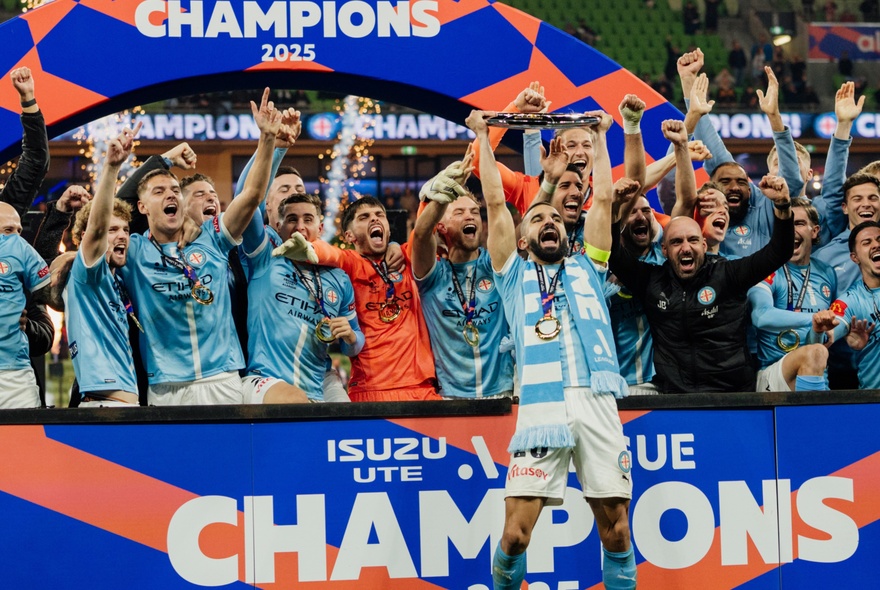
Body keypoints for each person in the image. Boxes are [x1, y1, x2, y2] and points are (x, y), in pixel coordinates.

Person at [471, 107, 635, 590]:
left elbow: (603, 197)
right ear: (522, 239)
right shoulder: (512, 275)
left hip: (596, 401)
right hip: (540, 409)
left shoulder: (590, 266)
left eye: (554, 219)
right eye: (537, 218)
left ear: (567, 230)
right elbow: (496, 203)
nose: (548, 222)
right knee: (516, 536)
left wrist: (603, 138)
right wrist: (484, 136)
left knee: (618, 532)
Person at [116, 88, 287, 405]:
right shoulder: (134, 250)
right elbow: (113, 211)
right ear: (141, 207)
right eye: (159, 191)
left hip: (221, 380)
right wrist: (161, 161)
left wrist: (266, 140)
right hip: (165, 388)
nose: (170, 195)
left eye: (174, 190)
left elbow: (250, 196)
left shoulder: (212, 237)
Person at [610, 173, 795, 392]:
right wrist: (614, 209)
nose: (686, 248)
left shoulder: (728, 274)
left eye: (693, 240)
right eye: (677, 242)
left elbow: (779, 252)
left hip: (732, 395)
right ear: (665, 250)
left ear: (704, 245)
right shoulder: (652, 280)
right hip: (674, 395)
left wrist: (783, 206)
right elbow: (614, 255)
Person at [274, 196, 440, 401]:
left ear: (388, 227)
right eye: (364, 217)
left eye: (380, 215)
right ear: (349, 235)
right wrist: (310, 248)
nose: (374, 219)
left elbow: (423, 234)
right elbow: (331, 254)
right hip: (370, 390)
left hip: (421, 388)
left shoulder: (406, 256)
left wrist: (429, 201)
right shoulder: (350, 264)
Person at [411, 147, 514, 399]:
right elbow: (422, 234)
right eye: (459, 212)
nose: (470, 216)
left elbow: (499, 207)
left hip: (502, 392)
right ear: (442, 226)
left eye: (474, 212)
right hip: (450, 397)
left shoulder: (496, 265)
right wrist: (442, 197)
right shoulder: (433, 276)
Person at [241, 192, 363, 403]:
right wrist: (271, 156)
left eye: (308, 219)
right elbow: (248, 197)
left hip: (316, 388)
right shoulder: (265, 258)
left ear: (320, 228)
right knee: (295, 402)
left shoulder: (338, 279)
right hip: (265, 381)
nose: (300, 227)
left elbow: (354, 345)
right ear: (278, 227)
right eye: (291, 219)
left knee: (347, 424)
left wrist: (350, 336)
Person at [64, 124, 142, 407]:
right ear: (85, 239)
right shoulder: (88, 275)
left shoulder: (117, 281)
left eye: (125, 229)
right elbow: (95, 229)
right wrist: (111, 168)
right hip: (104, 405)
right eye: (113, 230)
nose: (122, 235)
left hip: (123, 406)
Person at [748, 198, 836, 392]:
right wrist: (812, 318)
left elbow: (817, 340)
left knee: (816, 352)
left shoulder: (827, 273)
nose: (791, 230)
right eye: (786, 224)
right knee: (815, 353)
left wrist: (818, 328)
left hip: (814, 373)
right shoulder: (764, 267)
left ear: (815, 232)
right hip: (773, 373)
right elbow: (760, 315)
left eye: (799, 223)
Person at [0, 201, 51, 407]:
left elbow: (52, 298)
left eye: (19, 231)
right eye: (8, 230)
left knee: (26, 439)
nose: (15, 238)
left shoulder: (23, 256)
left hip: (16, 377)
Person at [818, 221, 880, 388]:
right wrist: (820, 330)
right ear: (855, 257)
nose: (876, 245)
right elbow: (826, 337)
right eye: (867, 243)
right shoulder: (850, 301)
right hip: (874, 401)